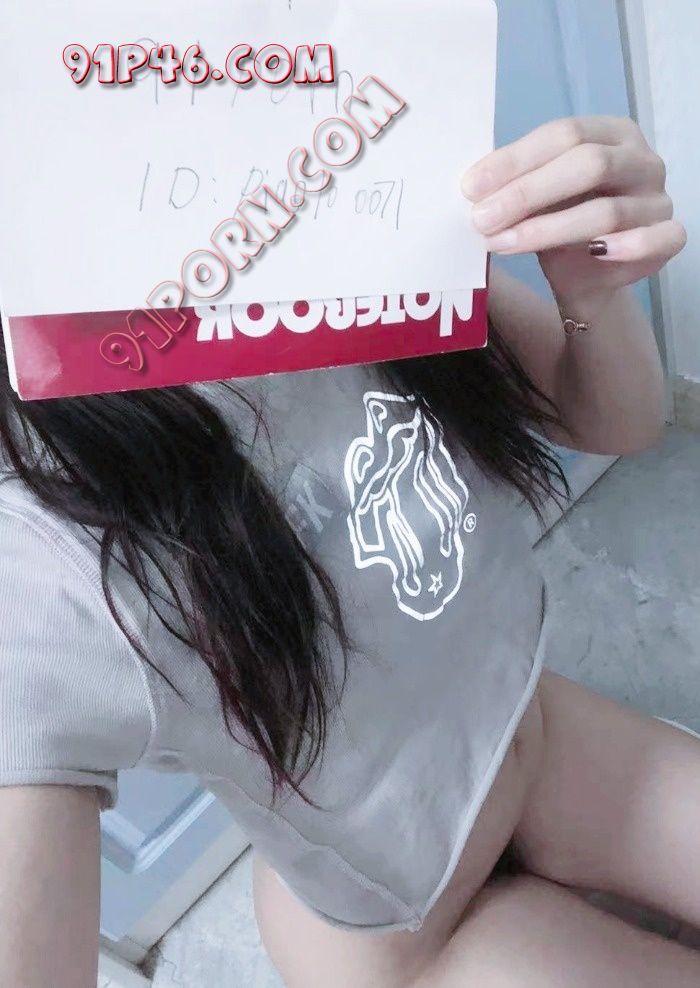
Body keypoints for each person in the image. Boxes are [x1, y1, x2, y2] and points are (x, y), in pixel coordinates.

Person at [0, 113, 695, 988]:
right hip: (408, 926)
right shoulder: (39, 556)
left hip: (533, 733)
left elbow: (614, 422)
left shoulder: (327, 205)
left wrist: (590, 294)